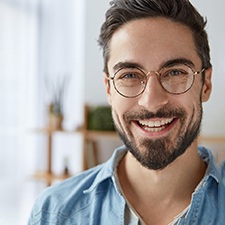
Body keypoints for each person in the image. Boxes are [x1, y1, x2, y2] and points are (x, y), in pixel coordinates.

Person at [28, 0, 225, 224]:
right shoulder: (54, 213)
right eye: (130, 75)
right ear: (109, 89)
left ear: (206, 83)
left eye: (175, 72)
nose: (151, 102)